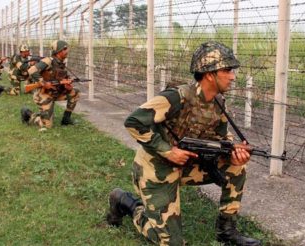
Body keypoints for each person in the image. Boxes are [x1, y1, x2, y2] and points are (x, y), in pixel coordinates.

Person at [106, 41, 261, 246]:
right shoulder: (177, 97)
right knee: (172, 243)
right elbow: (133, 121)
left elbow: (220, 138)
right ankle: (127, 203)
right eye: (227, 70)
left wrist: (233, 151)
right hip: (156, 169)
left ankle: (226, 231)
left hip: (186, 166)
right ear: (209, 74)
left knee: (237, 166)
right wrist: (168, 151)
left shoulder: (218, 102)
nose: (232, 76)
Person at [20, 40, 80, 131]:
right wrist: (43, 83)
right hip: (44, 95)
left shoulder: (61, 64)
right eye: (65, 49)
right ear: (58, 51)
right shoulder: (48, 61)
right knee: (47, 125)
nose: (67, 51)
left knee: (75, 92)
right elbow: (32, 70)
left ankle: (66, 119)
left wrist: (67, 85)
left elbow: (60, 79)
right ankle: (28, 114)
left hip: (55, 93)